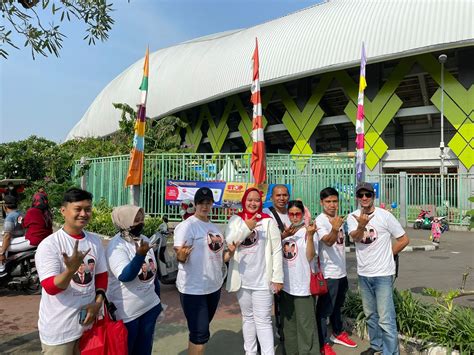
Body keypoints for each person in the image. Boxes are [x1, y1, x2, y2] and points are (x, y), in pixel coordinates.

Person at [35, 188, 108, 354]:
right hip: (60, 332)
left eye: (88, 209)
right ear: (63, 211)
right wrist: (70, 271)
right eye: (78, 209)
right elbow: (51, 288)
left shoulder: (94, 241)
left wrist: (98, 302)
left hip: (88, 327)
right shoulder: (50, 245)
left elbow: (102, 276)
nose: (83, 214)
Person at [347, 183, 410, 355]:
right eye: (361, 195)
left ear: (373, 196)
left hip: (383, 274)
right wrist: (361, 225)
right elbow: (356, 238)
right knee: (370, 315)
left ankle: (390, 352)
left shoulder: (385, 216)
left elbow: (404, 239)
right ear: (357, 198)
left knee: (386, 318)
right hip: (364, 274)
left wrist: (389, 255)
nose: (365, 198)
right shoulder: (352, 217)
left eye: (368, 194)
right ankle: (376, 346)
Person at [174, 187, 236, 355]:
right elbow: (180, 255)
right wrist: (181, 255)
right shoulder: (186, 226)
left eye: (208, 203)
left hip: (213, 287)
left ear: (212, 205)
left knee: (198, 331)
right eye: (201, 203)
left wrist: (230, 253)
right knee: (200, 334)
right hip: (194, 289)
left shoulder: (214, 228)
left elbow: (219, 258)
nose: (204, 206)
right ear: (195, 204)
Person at [226, 187, 283, 355]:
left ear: (260, 203)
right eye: (249, 199)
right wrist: (247, 227)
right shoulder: (236, 220)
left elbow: (277, 249)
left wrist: (277, 277)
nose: (253, 203)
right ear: (244, 201)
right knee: (247, 318)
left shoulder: (267, 221)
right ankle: (250, 352)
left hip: (263, 281)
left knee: (263, 320)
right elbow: (230, 242)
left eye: (256, 200)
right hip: (242, 280)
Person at [106, 205, 162, 355]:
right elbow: (125, 276)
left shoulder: (143, 239)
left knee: (144, 351)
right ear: (124, 221)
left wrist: (157, 301)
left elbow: (152, 273)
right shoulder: (116, 246)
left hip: (149, 308)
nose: (141, 223)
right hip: (128, 314)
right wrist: (139, 256)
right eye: (136, 220)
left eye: (142, 219)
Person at [315, 187, 357, 355]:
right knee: (324, 310)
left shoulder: (337, 219)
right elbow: (329, 241)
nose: (332, 205)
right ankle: (323, 342)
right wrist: (334, 228)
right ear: (322, 203)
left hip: (341, 271)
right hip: (328, 273)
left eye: (335, 201)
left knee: (338, 306)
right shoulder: (321, 220)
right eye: (328, 202)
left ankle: (337, 332)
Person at [280, 200, 319, 355]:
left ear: (303, 214)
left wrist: (310, 236)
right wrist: (283, 236)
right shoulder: (285, 232)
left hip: (303, 287)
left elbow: (310, 256)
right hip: (286, 286)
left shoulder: (309, 231)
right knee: (289, 325)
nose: (295, 217)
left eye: (298, 214)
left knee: (306, 326)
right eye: (291, 214)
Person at [0, 195, 30, 274]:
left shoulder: (10, 217)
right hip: (22, 238)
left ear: (5, 206)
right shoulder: (21, 213)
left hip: (16, 240)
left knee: (1, 245)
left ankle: (1, 269)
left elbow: (7, 236)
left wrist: (2, 253)